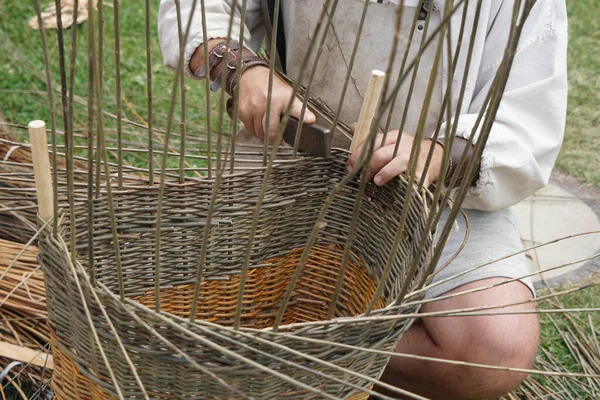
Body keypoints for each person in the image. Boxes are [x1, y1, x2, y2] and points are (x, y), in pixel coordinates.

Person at [158, 0, 568, 398]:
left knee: (495, 350)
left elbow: (527, 115)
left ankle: (280, 351)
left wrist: (438, 152)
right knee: (192, 295)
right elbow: (194, 8)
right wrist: (243, 68)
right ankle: (282, 346)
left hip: (441, 190)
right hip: (289, 150)